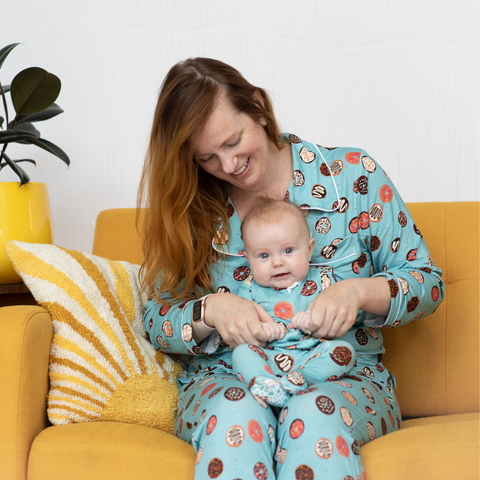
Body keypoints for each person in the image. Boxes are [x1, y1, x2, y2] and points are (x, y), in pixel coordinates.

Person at [138, 57, 444, 480]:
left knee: (311, 413)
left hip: (343, 376)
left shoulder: (351, 176)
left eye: (232, 142)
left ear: (259, 108)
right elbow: (155, 318)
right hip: (227, 380)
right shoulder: (190, 209)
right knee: (236, 419)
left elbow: (426, 284)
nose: (227, 166)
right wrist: (211, 311)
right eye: (206, 157)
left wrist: (357, 292)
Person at [231, 197, 356, 408]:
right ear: (247, 259)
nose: (278, 262)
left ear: (309, 249)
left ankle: (297, 381)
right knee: (241, 353)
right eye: (263, 255)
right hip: (267, 357)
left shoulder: (325, 281)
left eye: (288, 251)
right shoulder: (249, 289)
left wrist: (314, 321)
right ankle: (264, 383)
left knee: (344, 351)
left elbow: (340, 316)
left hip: (312, 353)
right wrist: (261, 330)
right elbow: (243, 326)